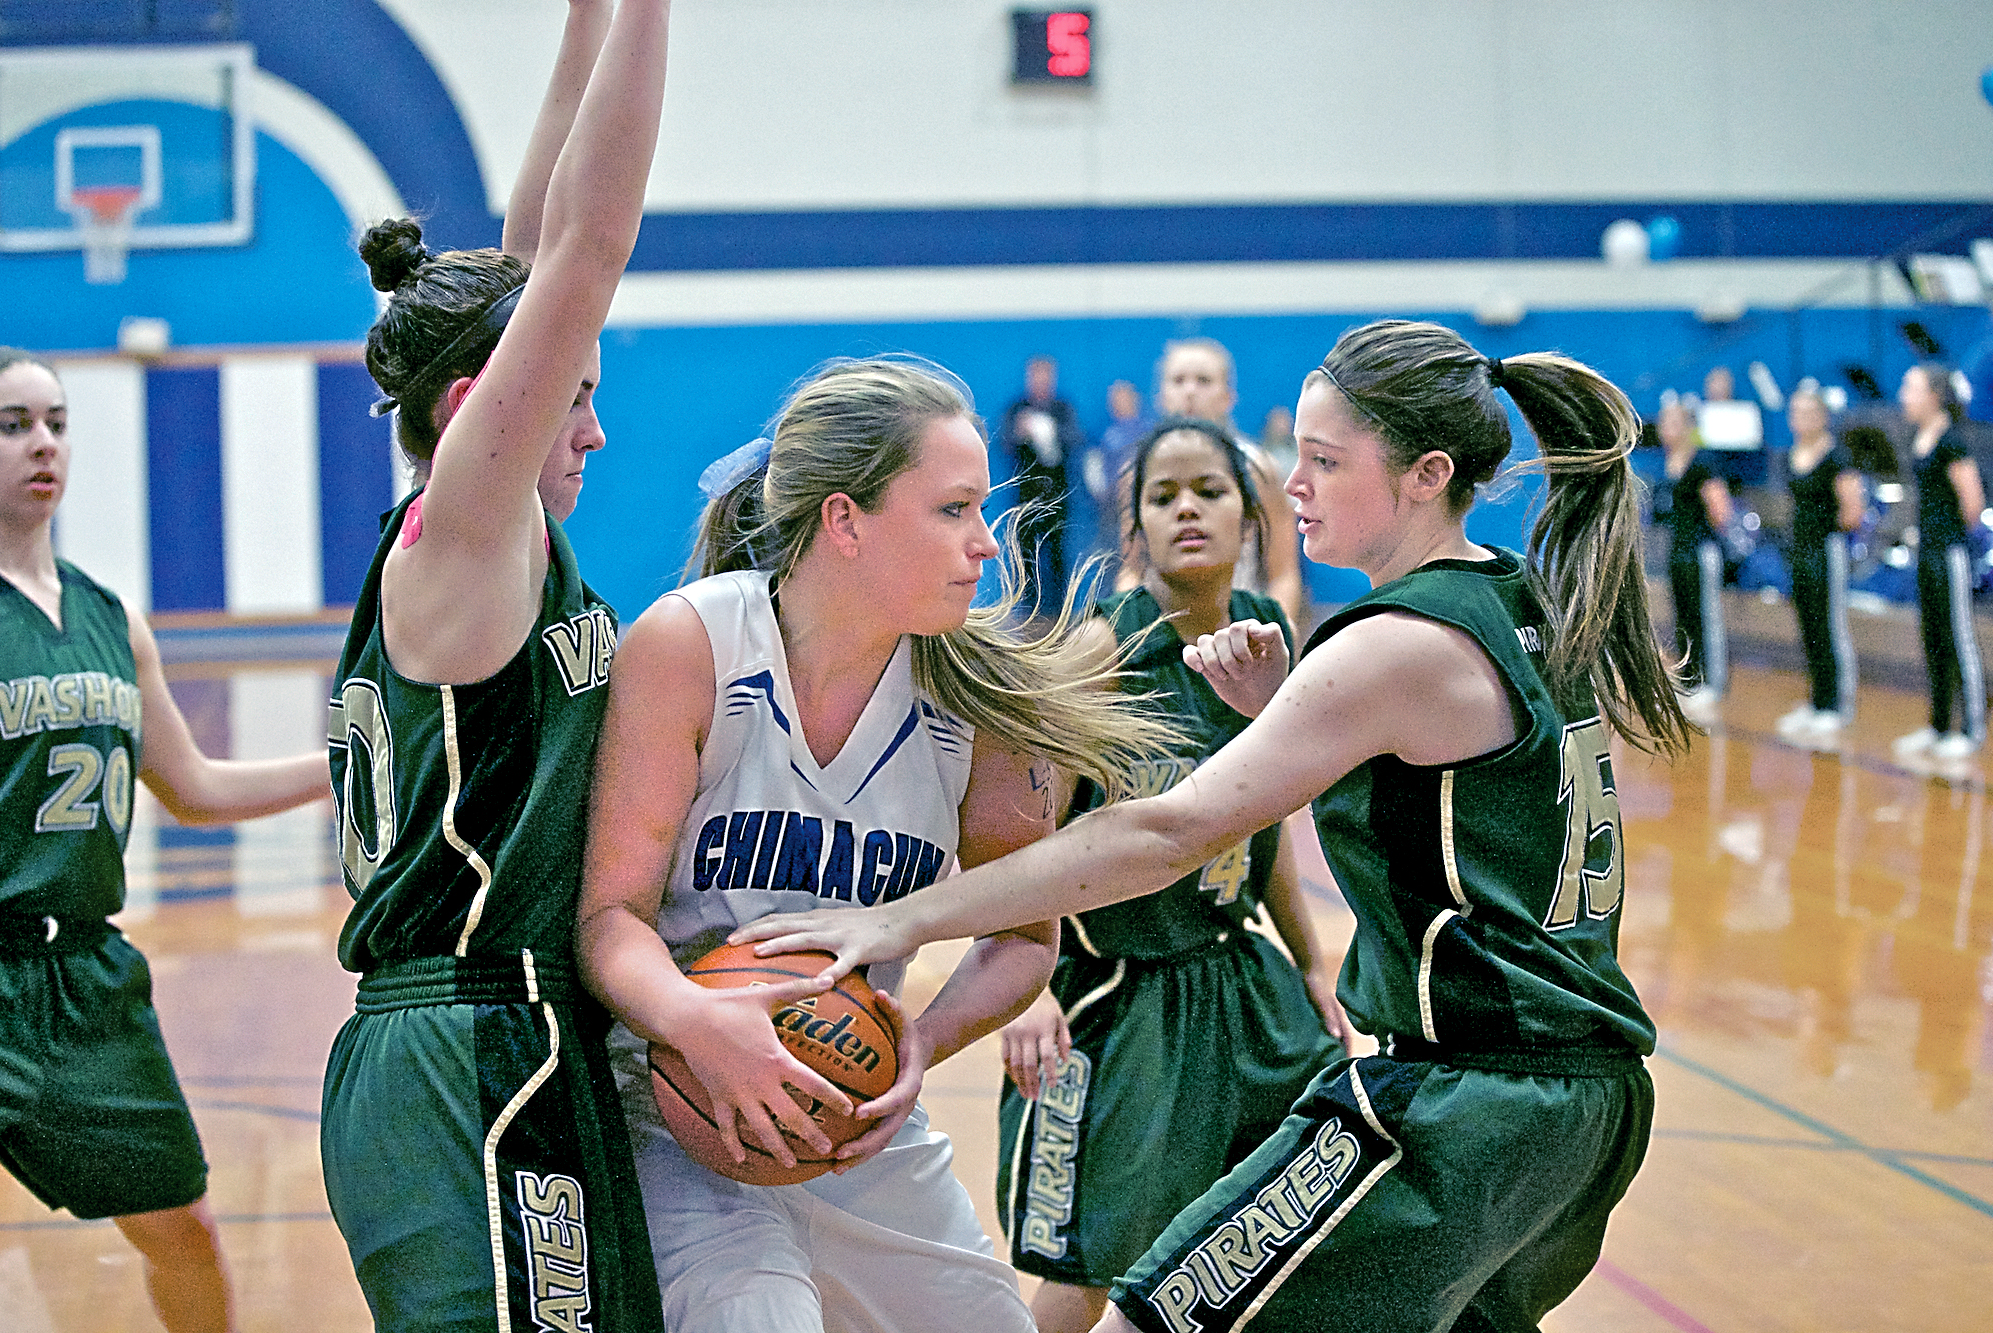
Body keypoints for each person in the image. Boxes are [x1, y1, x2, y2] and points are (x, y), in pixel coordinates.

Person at [736, 318, 1695, 1333]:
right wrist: (1290, 716)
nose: (1293, 487)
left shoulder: (1393, 643)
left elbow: (1161, 833)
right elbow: (1451, 828)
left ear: (1426, 474)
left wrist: (904, 921)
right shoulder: (1526, 599)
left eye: (1324, 461)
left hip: (1466, 1098)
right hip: (1582, 1102)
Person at [574, 356, 1180, 1333]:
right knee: (754, 1317)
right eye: (952, 510)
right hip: (675, 1099)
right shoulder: (693, 647)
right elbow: (608, 920)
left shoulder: (980, 704)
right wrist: (696, 1023)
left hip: (854, 1108)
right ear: (844, 520)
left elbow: (1024, 938)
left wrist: (916, 1045)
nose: (985, 544)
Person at [319, 3, 673, 1329]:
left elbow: (534, 242)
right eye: (570, 393)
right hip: (462, 1048)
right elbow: (589, 245)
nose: (593, 424)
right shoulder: (471, 538)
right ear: (479, 410)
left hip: (504, 1036)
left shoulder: (476, 534)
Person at [0, 346, 331, 1333]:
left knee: (182, 1225)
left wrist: (343, 766)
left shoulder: (111, 618)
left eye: (55, 421)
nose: (42, 443)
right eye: (11, 425)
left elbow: (196, 788)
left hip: (87, 979)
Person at [994, 415, 1350, 1333]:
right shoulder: (1101, 654)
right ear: (1135, 530)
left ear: (1249, 516)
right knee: (1094, 1267)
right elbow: (1003, 822)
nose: (1187, 508)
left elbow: (1265, 816)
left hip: (1236, 979)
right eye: (1163, 496)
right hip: (1114, 996)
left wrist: (1310, 956)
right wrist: (1019, 976)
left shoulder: (1268, 634)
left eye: (1209, 490)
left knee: (1283, 1226)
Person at [1117, 339, 1306, 635]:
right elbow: (1132, 568)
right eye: (1178, 380)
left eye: (1204, 380)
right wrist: (1125, 627)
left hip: (1239, 630)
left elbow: (1283, 573)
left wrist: (1278, 636)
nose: (1190, 391)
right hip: (1166, 632)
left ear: (1228, 396)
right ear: (1162, 395)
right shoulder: (1137, 472)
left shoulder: (1259, 469)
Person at [1892, 363, 1988, 760]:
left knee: (1958, 638)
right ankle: (1938, 725)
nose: (1903, 395)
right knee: (1932, 637)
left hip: (1949, 553)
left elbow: (1973, 502)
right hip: (1928, 552)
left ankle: (1970, 728)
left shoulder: (1952, 441)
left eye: (1910, 387)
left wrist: (1949, 539)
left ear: (1934, 395)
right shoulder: (1921, 437)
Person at [1775, 386, 1865, 741]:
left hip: (1827, 550)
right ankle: (1817, 700)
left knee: (1830, 625)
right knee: (1809, 623)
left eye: (1806, 412)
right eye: (1794, 411)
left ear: (1822, 416)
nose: (1798, 418)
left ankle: (1837, 705)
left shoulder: (1838, 457)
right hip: (1800, 551)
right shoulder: (1792, 454)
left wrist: (1824, 532)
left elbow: (1852, 512)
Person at [1656, 399, 1732, 718]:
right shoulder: (1670, 461)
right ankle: (1689, 678)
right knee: (1683, 615)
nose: (1665, 429)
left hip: (1701, 551)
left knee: (1705, 618)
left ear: (1688, 426)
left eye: (1672, 422)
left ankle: (1712, 683)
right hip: (1679, 552)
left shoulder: (1703, 462)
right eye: (1663, 423)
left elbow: (1721, 511)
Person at [1000, 354, 1084, 614]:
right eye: (1036, 376)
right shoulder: (1017, 409)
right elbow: (1005, 442)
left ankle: (1059, 609)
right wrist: (1020, 432)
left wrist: (1052, 432)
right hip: (1026, 494)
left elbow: (1075, 439)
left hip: (1057, 494)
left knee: (1057, 553)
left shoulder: (1062, 409)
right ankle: (1028, 607)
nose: (1040, 382)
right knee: (1025, 553)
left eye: (1046, 377)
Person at [1080, 378, 1148, 564]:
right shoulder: (1103, 433)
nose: (1118, 403)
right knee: (1110, 556)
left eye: (1122, 397)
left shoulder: (1148, 431)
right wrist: (1101, 494)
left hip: (1141, 505)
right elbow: (1092, 466)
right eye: (1114, 399)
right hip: (1111, 509)